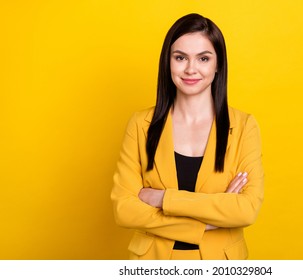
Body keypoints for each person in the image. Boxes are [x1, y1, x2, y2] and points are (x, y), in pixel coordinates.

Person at [111, 13, 264, 260]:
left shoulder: (245, 126)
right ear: (167, 62)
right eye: (180, 57)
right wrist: (205, 222)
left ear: (218, 65)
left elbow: (246, 210)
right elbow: (124, 209)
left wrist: (163, 198)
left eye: (203, 58)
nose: (191, 69)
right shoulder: (141, 124)